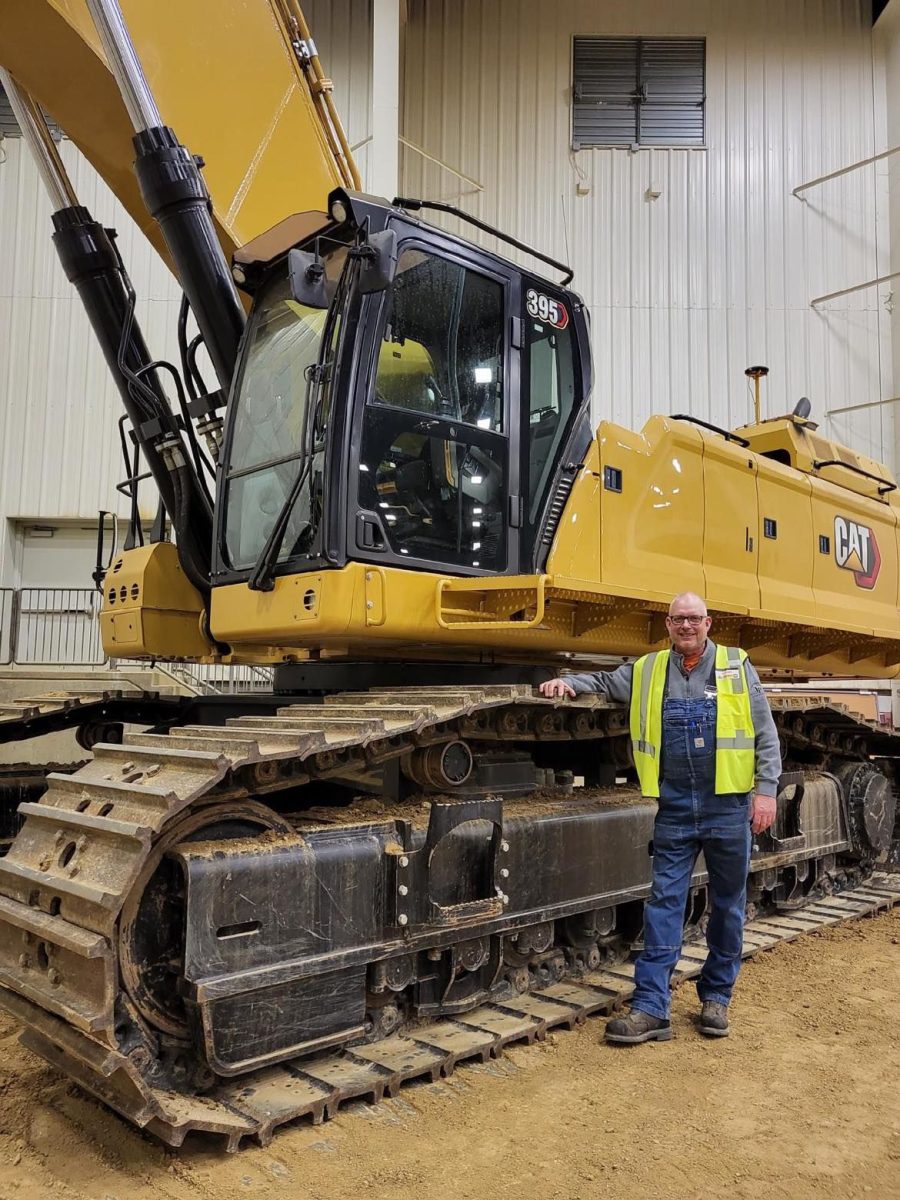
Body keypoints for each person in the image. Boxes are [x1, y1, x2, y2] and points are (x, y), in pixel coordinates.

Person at [539, 592, 781, 1042]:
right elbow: (608, 682)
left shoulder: (735, 664)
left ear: (708, 622)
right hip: (674, 807)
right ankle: (652, 1007)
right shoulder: (648, 669)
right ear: (667, 624)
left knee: (727, 906)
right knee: (663, 905)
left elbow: (765, 733)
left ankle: (716, 999)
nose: (686, 626)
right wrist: (569, 682)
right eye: (677, 620)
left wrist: (765, 793)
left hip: (727, 805)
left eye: (693, 619)